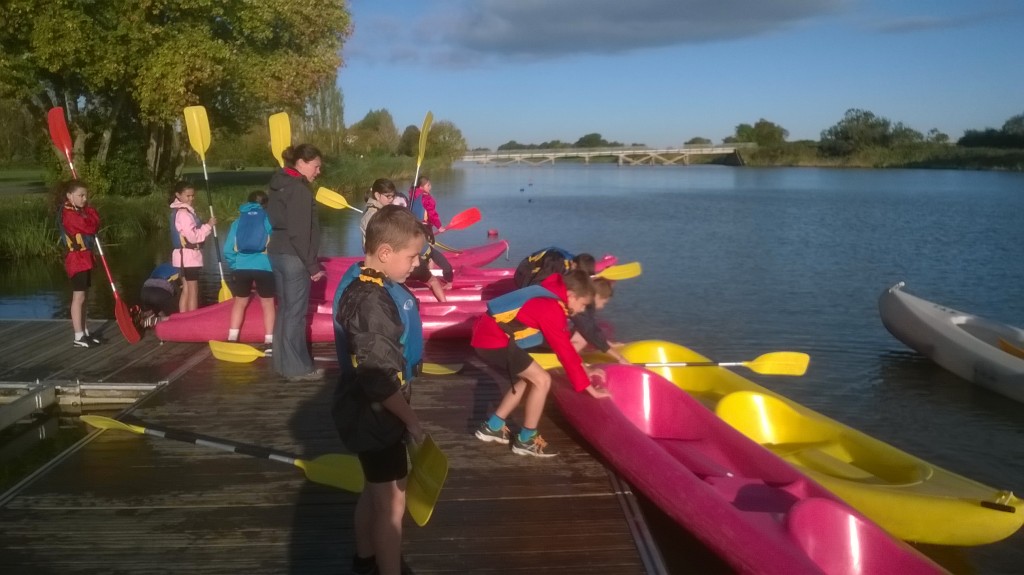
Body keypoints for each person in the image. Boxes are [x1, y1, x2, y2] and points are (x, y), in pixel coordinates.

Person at [332, 205, 427, 575]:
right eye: (412, 257)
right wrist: (412, 422)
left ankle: (364, 558)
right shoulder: (372, 302)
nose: (417, 264)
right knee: (392, 506)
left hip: (366, 412)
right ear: (385, 252)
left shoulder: (365, 278)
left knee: (375, 490)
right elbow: (378, 379)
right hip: (376, 416)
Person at [472, 269, 609, 457]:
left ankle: (493, 427)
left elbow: (564, 346)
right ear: (571, 295)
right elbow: (565, 352)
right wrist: (589, 388)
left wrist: (585, 369)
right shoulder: (550, 308)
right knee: (542, 380)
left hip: (488, 336)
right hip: (493, 341)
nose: (582, 309)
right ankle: (526, 440)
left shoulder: (550, 293)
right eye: (583, 304)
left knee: (528, 378)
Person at [266, 143, 325, 382]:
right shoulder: (299, 190)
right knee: (295, 314)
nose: (318, 171)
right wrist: (312, 265)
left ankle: (282, 364)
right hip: (294, 256)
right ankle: (298, 369)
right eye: (316, 166)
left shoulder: (278, 184)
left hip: (277, 252)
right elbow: (299, 233)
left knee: (285, 311)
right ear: (301, 163)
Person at [224, 190, 275, 347]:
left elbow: (228, 250)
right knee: (268, 303)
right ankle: (269, 340)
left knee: (240, 302)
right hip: (264, 267)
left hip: (241, 267)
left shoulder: (237, 222)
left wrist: (235, 265)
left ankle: (232, 337)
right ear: (266, 204)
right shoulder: (268, 220)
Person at [55, 180, 102, 348]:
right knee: (78, 297)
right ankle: (78, 336)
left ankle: (84, 331)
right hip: (76, 260)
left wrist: (88, 210)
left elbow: (96, 222)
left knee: (85, 296)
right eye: (80, 195)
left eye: (85, 195)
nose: (84, 198)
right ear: (69, 196)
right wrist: (89, 212)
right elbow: (90, 227)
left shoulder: (80, 211)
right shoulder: (69, 215)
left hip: (85, 259)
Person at [169, 180, 216, 313]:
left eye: (192, 195)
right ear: (178, 195)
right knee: (193, 290)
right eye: (187, 196)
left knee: (186, 289)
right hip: (188, 258)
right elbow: (193, 237)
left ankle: (184, 317)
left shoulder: (179, 211)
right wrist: (208, 226)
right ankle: (193, 318)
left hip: (182, 257)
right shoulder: (184, 214)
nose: (191, 199)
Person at [569, 278, 630, 364]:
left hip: (555, 335)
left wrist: (609, 344)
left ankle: (574, 355)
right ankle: (568, 359)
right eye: (603, 303)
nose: (602, 307)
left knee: (583, 333)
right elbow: (592, 334)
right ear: (597, 296)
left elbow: (593, 329)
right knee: (582, 338)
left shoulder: (585, 307)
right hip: (552, 340)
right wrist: (620, 358)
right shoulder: (582, 309)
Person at [404, 227, 453, 302]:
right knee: (434, 281)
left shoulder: (404, 244)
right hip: (419, 269)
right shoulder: (429, 249)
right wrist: (449, 282)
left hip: (406, 270)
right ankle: (444, 302)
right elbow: (445, 265)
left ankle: (404, 286)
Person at [513, 246, 596, 288]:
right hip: (524, 273)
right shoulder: (556, 264)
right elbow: (536, 283)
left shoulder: (572, 262)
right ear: (574, 264)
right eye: (579, 274)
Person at [137, 263, 180, 328]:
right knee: (177, 317)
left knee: (160, 312)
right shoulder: (179, 271)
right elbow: (179, 292)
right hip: (160, 293)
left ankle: (147, 317)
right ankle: (157, 320)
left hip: (144, 292)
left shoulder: (164, 266)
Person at [360, 178, 396, 248]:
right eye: (388, 196)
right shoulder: (372, 216)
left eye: (393, 196)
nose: (391, 199)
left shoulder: (384, 210)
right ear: (377, 195)